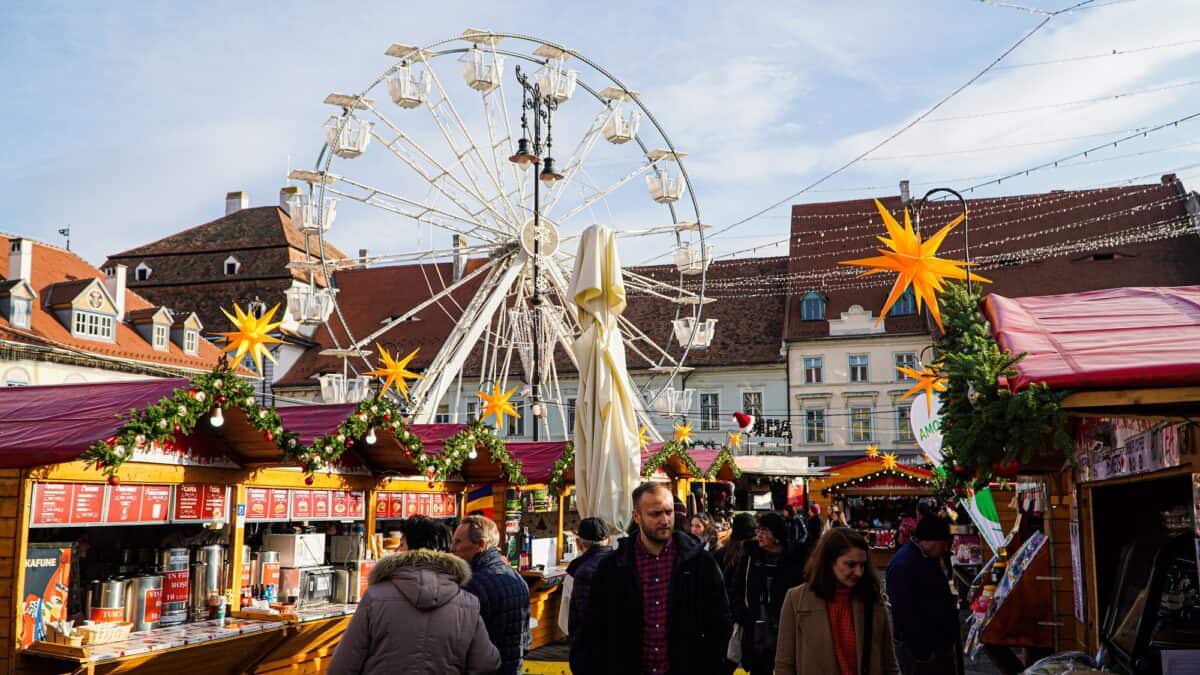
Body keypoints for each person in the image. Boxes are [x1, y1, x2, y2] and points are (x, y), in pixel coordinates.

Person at [582, 482, 732, 674]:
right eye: (655, 514)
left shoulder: (699, 563)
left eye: (668, 512)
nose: (665, 520)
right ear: (637, 516)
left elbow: (720, 621)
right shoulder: (614, 566)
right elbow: (594, 627)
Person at [329, 534, 500, 674]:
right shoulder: (467, 603)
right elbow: (486, 663)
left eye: (401, 545)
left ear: (409, 551)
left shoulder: (375, 597)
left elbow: (343, 665)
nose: (396, 550)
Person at [775, 529, 898, 675]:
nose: (859, 572)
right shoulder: (796, 600)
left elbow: (889, 663)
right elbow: (784, 664)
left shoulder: (872, 600)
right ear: (829, 562)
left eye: (862, 565)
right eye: (851, 564)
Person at [451, 515, 530, 675]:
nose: (453, 548)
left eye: (458, 542)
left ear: (480, 545)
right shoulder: (517, 578)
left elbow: (461, 644)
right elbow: (526, 641)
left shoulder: (474, 584)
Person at [730, 512, 808, 674]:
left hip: (785, 630)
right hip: (756, 631)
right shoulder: (750, 557)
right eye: (758, 530)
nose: (760, 535)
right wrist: (742, 615)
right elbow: (736, 588)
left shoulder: (795, 561)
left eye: (765, 530)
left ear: (778, 536)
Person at [886, 515, 960, 675]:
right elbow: (904, 614)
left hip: (934, 646)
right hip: (923, 652)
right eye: (945, 544)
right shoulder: (904, 564)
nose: (946, 549)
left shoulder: (924, 557)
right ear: (931, 541)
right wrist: (923, 652)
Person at [564, 517, 613, 675]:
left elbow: (585, 617)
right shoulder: (621, 562)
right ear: (609, 540)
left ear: (579, 544)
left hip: (590, 653)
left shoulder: (582, 571)